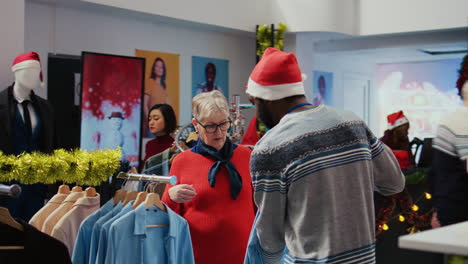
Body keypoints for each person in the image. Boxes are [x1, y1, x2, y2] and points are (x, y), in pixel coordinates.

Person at [244, 47, 405, 264]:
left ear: (268, 99)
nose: (257, 112)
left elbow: (271, 238)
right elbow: (394, 182)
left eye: (255, 102)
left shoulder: (270, 148)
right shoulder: (352, 123)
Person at [161, 90, 255, 264]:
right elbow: (168, 216)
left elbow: (259, 208)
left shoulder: (247, 156)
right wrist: (171, 197)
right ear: (196, 125)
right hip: (197, 255)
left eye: (224, 124)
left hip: (244, 256)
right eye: (210, 126)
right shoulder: (182, 161)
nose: (219, 132)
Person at [0, 52, 55, 221]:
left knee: (34, 233)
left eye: (36, 72)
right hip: (7, 186)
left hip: (36, 187)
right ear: (16, 72)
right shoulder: (1, 105)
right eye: (28, 72)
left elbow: (51, 145)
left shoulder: (44, 107)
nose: (33, 77)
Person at [430, 54, 468, 228]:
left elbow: (439, 174)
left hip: (451, 211)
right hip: (459, 216)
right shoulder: (462, 120)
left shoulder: (452, 120)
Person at [144, 57, 170, 137]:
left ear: (164, 70)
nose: (159, 69)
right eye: (157, 66)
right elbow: (144, 105)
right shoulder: (149, 82)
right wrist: (151, 121)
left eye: (161, 67)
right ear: (154, 69)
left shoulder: (164, 87)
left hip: (163, 128)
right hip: (153, 127)